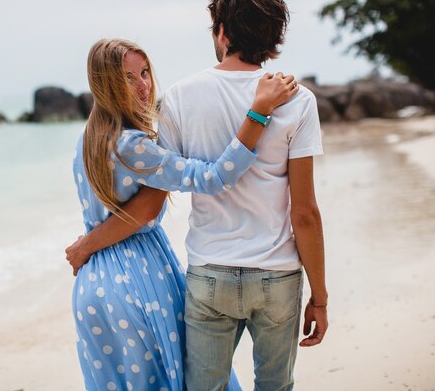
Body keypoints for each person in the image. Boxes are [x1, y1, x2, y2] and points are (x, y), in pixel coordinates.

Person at [68, 37, 298, 391]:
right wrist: (258, 112)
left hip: (92, 287)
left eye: (144, 72)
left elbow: (134, 207)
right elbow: (214, 177)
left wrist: (86, 246)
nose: (143, 85)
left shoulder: (89, 140)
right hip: (137, 280)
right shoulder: (133, 146)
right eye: (128, 78)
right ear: (105, 84)